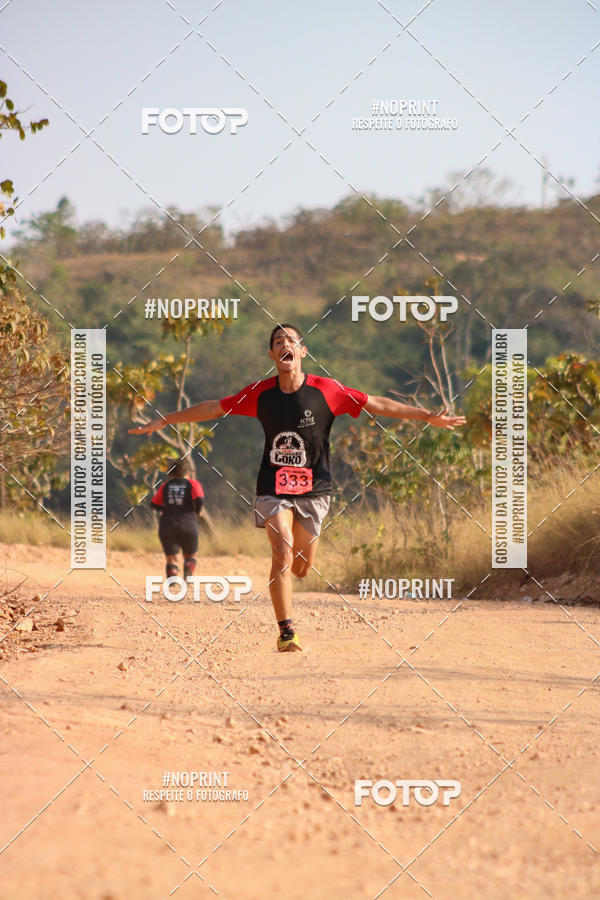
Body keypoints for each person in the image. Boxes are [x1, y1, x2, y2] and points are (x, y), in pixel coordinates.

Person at [130, 324, 466, 652]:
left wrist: (427, 416)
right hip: (272, 488)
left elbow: (376, 403)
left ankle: (291, 584)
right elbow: (214, 407)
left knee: (301, 568)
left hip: (315, 490)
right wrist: (167, 419)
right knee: (282, 553)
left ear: (302, 351)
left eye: (291, 340)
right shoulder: (260, 394)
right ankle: (286, 632)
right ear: (272, 354)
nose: (284, 344)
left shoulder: (327, 390)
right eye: (278, 341)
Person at [150, 459, 206, 582]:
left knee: (171, 559)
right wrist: (198, 511)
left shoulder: (165, 486)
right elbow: (199, 500)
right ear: (188, 472)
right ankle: (187, 578)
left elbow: (154, 504)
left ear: (171, 473)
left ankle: (172, 584)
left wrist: (166, 508)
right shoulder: (193, 484)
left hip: (167, 524)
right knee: (190, 556)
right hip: (188, 524)